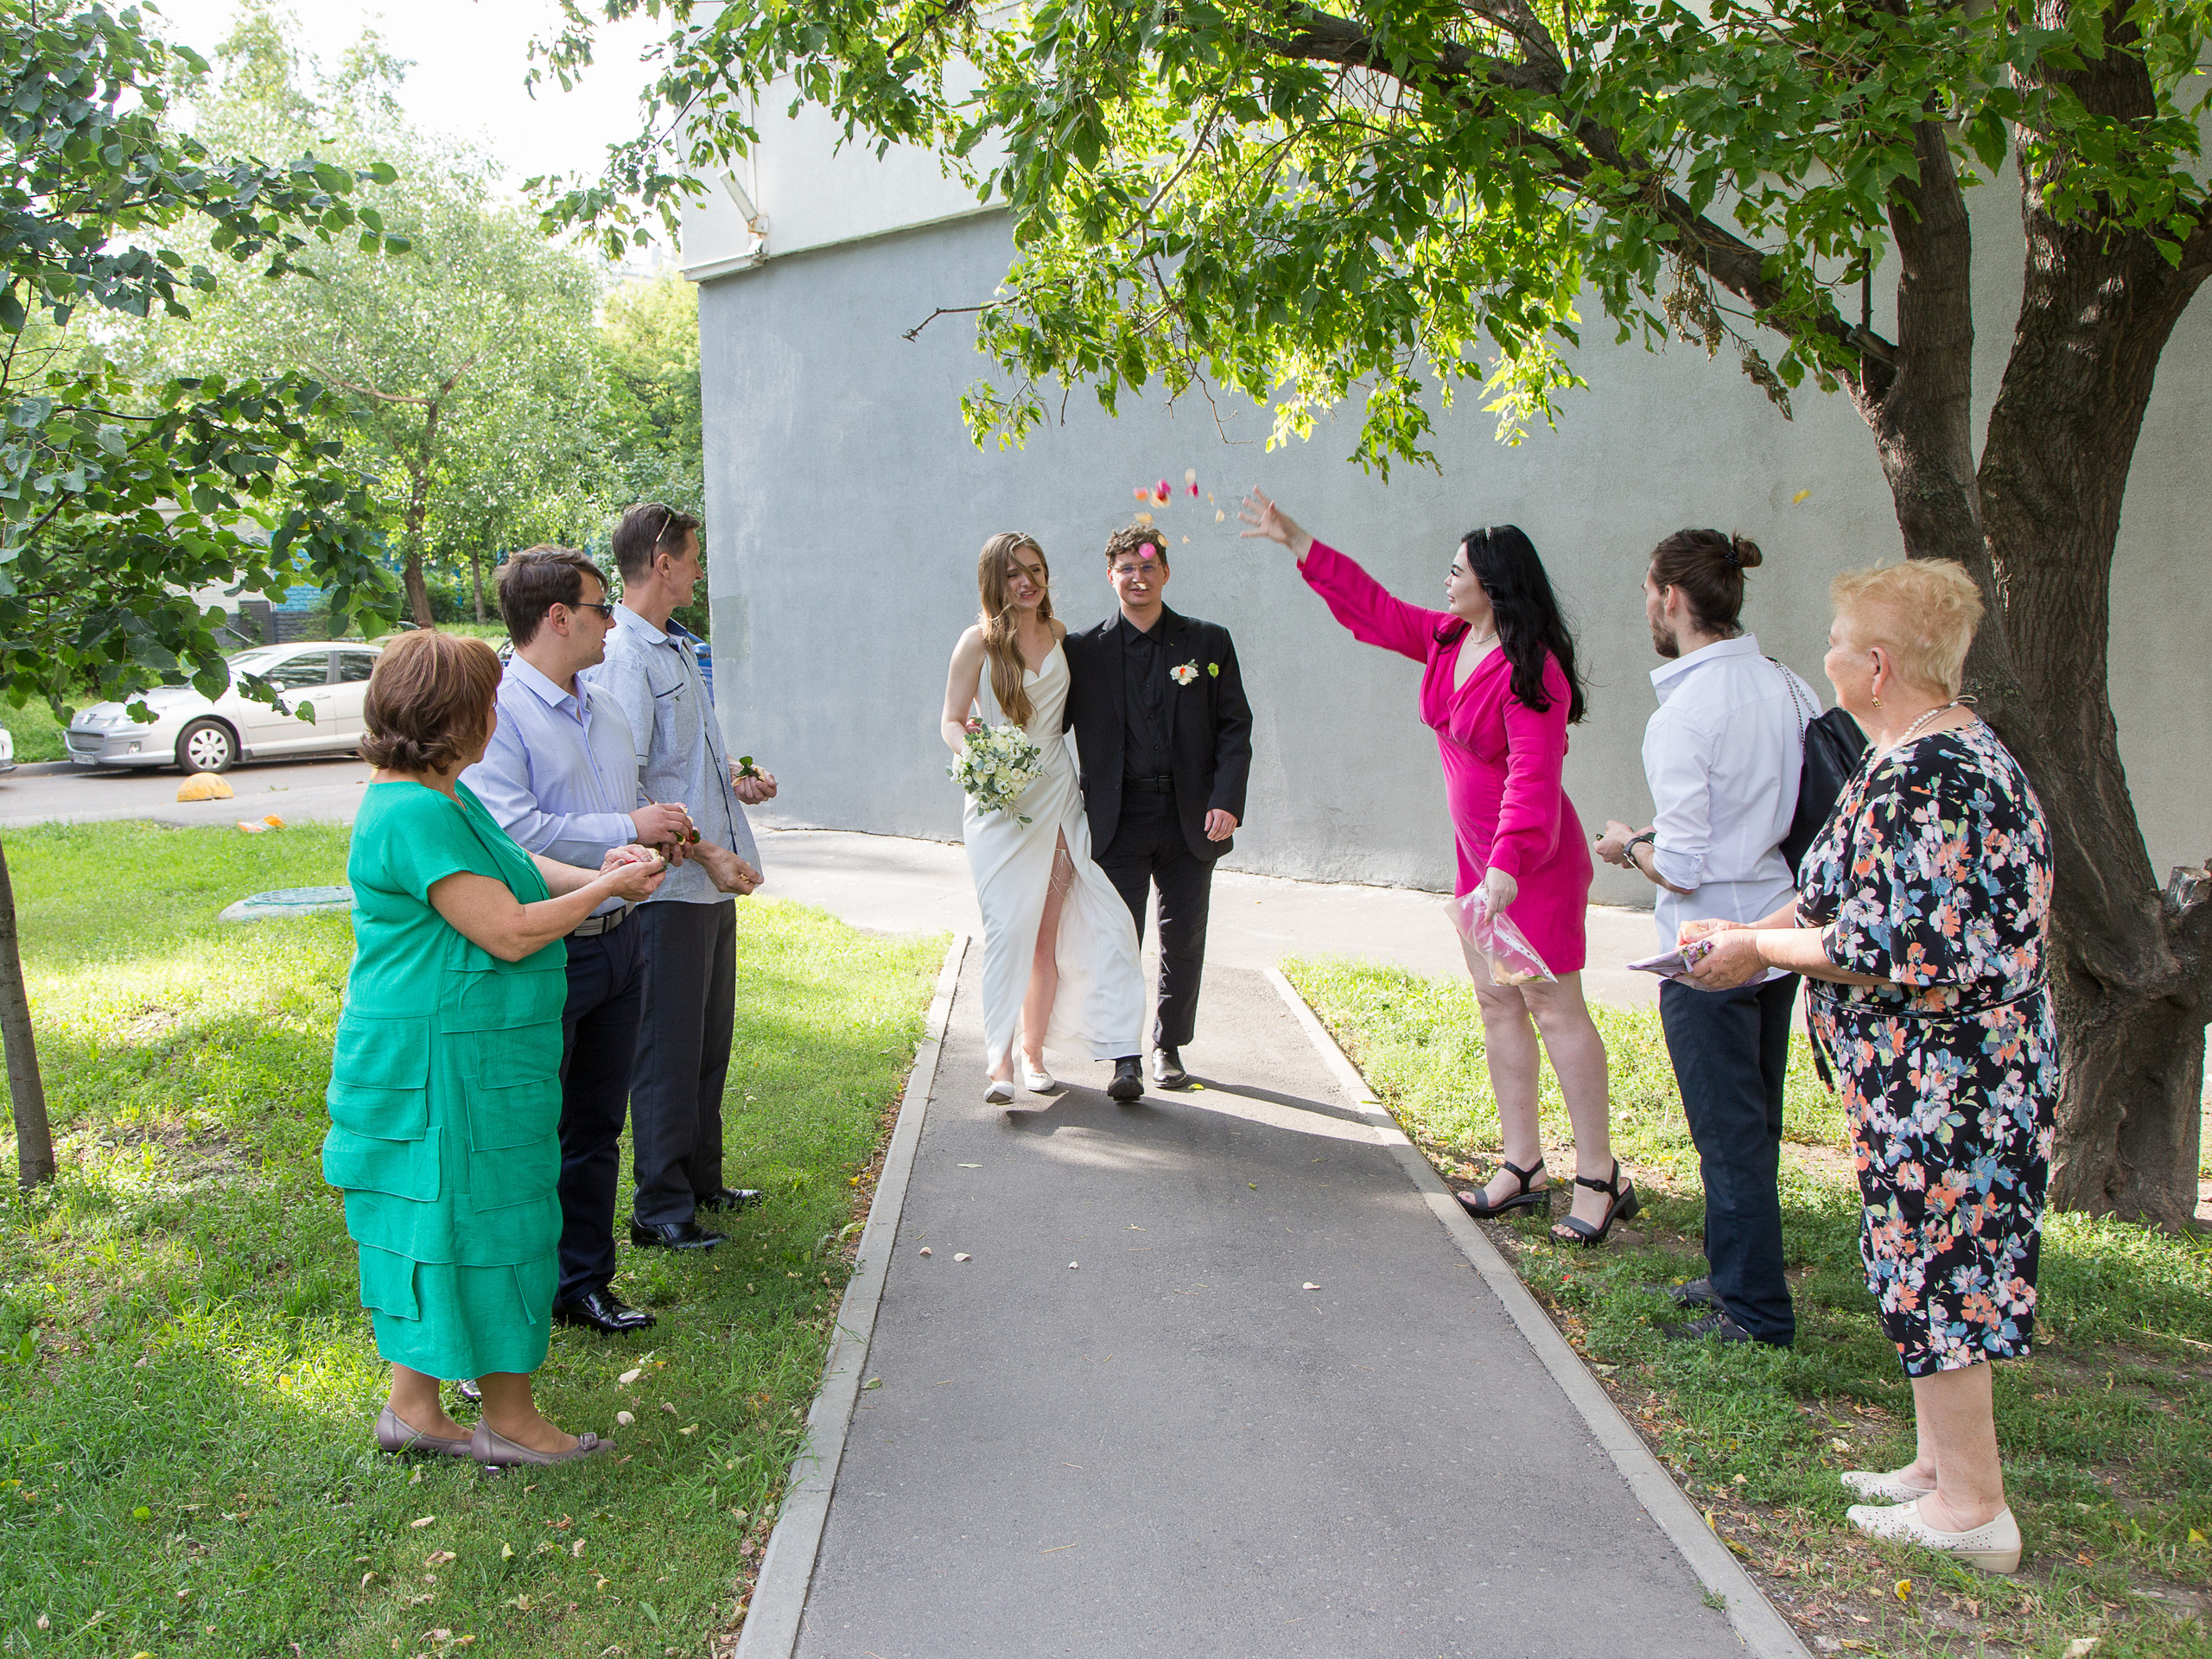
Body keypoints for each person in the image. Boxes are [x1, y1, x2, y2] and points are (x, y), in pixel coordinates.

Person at [1681, 559, 2052, 1575]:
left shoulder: (1929, 779)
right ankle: (1937, 1470)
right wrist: (1744, 931)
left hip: (1952, 1083)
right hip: (1927, 1077)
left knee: (1943, 1275)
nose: (1828, 654)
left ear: (1877, 666)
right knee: (1913, 1262)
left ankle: (1974, 1513)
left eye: (1840, 641)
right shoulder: (1912, 754)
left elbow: (1878, 942)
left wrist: (1754, 952)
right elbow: (1826, 898)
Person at [1243, 489, 1630, 1247]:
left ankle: (1598, 1176)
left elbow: (1534, 774)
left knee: (1556, 1010)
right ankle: (1523, 1166)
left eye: (1457, 571)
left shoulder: (1535, 668)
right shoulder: (1451, 640)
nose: (1445, 581)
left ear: (1493, 582)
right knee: (1497, 1005)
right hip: (1476, 865)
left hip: (1531, 864)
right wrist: (1298, 541)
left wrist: (1510, 864)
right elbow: (1375, 611)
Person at [325, 630, 668, 1467]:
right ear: (451, 716)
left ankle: (413, 1409)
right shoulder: (409, 811)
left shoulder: (441, 796)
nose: (493, 714)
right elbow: (507, 931)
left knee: (439, 1220)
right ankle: (511, 1421)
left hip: (467, 1057)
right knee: (483, 1220)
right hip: (441, 1068)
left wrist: (601, 867)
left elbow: (514, 868)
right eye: (484, 701)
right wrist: (607, 889)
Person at [463, 546, 699, 1337]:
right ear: (558, 617)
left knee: (598, 1123)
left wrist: (647, 838)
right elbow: (514, 832)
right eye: (602, 609)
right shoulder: (498, 712)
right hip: (553, 943)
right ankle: (520, 1290)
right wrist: (628, 831)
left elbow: (621, 799)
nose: (611, 623)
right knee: (537, 1126)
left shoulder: (602, 705)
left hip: (622, 937)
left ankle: (584, 1284)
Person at [1595, 529, 1816, 1345]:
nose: (1646, 606)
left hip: (1705, 950)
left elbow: (1682, 867)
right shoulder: (1792, 687)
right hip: (1777, 933)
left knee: (1726, 1134)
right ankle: (1736, 1277)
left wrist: (1628, 846)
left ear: (1671, 600)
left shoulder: (1684, 713)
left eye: (1648, 592)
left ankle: (1755, 1314)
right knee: (1753, 1125)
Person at [590, 504, 774, 1251]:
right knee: (666, 1051)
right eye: (693, 555)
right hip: (670, 889)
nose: (700, 567)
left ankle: (701, 1179)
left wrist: (735, 778)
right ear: (661, 562)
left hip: (710, 885)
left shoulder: (676, 647)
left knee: (706, 1041)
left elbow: (680, 761)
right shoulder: (625, 658)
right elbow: (627, 786)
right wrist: (705, 853)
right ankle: (660, 1209)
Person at [940, 532, 1146, 1102]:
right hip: (999, 802)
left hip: (1056, 794)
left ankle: (1032, 1056)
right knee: (1007, 929)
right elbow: (952, 721)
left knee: (1044, 939)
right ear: (993, 580)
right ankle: (998, 1061)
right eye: (1013, 573)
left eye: (1035, 569)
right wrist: (980, 757)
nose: (1027, 581)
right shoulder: (976, 644)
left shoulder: (1060, 637)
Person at [1059, 524, 1254, 1092]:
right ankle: (1124, 1054)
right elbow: (1050, 721)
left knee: (1183, 936)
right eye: (1126, 568)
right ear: (1111, 576)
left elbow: (1234, 726)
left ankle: (1168, 1045)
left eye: (1147, 567)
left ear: (1165, 572)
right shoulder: (1083, 649)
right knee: (1119, 936)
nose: (1137, 578)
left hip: (1190, 817)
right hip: (1116, 817)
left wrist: (1227, 800)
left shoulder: (1208, 643)